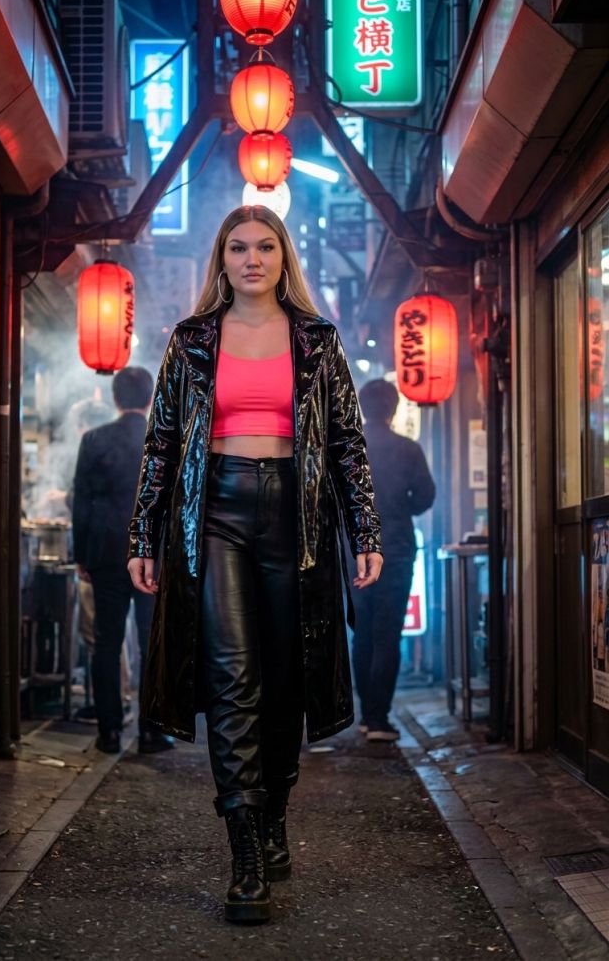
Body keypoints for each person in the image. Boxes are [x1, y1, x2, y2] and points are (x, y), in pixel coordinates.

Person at [127, 205, 383, 924]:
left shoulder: (318, 340)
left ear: (282, 257)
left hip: (298, 518)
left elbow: (347, 442)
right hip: (215, 515)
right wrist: (143, 536)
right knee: (232, 680)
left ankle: (274, 816)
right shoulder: (193, 340)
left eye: (265, 247)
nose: (251, 259)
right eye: (237, 247)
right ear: (222, 259)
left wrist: (365, 530)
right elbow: (162, 444)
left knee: (285, 680)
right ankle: (244, 851)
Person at [72, 366, 174, 755]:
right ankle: (150, 732)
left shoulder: (94, 439)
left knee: (107, 642)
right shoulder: (162, 439)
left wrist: (82, 556)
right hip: (152, 557)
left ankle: (109, 732)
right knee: (151, 644)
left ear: (115, 398)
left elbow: (82, 501)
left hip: (104, 554)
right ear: (150, 398)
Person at [351, 379, 435, 743]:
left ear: (361, 407)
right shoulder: (408, 449)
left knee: (362, 631)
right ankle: (378, 717)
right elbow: (426, 496)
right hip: (396, 548)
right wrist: (401, 509)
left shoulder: (349, 448)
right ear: (394, 408)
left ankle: (366, 715)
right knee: (388, 633)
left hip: (354, 551)